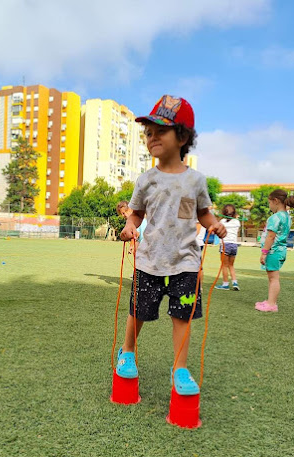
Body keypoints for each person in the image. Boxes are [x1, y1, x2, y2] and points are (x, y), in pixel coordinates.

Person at [116, 95, 226, 396]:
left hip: (186, 263)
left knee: (182, 317)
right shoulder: (146, 180)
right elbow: (136, 214)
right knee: (139, 312)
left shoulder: (196, 180)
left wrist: (213, 224)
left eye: (160, 131)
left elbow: (203, 212)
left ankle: (179, 368)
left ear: (183, 136)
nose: (152, 137)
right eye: (149, 132)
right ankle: (126, 351)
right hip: (149, 259)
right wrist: (129, 226)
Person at [255, 189, 294, 312]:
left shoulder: (275, 217)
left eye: (269, 203)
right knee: (272, 278)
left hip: (273, 252)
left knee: (273, 279)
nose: (269, 206)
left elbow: (271, 236)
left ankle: (272, 304)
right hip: (280, 251)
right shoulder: (287, 217)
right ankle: (270, 301)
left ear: (276, 201)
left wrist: (264, 253)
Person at [215, 204, 241, 290]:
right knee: (231, 265)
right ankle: (235, 283)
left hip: (225, 244)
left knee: (224, 265)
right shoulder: (237, 222)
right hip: (234, 245)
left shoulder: (222, 221)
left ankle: (225, 284)